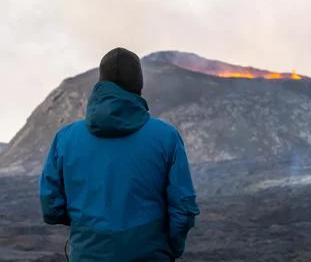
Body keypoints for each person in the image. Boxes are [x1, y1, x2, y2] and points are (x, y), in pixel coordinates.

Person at [38, 47, 200, 261]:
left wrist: (87, 225)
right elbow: (183, 205)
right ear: (138, 85)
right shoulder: (166, 136)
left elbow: (51, 206)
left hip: (88, 254)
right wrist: (170, 249)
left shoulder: (65, 138)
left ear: (101, 83)